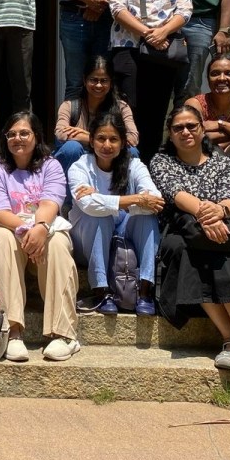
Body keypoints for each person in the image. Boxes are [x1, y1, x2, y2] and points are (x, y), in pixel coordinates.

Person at [150, 106, 230, 390]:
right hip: (180, 231)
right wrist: (205, 214)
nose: (185, 132)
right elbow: (175, 193)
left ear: (202, 129)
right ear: (170, 134)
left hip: (219, 227)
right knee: (196, 247)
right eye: (178, 128)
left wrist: (219, 211)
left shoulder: (222, 162)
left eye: (191, 126)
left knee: (215, 247)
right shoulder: (162, 161)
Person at [0, 111, 79, 362]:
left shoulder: (51, 165)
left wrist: (40, 229)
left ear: (36, 136)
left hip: (43, 230)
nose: (17, 138)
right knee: (2, 238)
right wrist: (27, 232)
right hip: (8, 231)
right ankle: (10, 331)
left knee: (57, 242)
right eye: (11, 134)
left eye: (24, 133)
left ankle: (63, 333)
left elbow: (51, 203)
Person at [109, 0, 193, 163]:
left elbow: (185, 10)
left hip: (163, 51)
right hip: (128, 49)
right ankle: (125, 165)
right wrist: (148, 33)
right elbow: (116, 8)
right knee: (129, 108)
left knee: (156, 112)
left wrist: (163, 32)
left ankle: (149, 166)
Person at [68, 110, 162, 316]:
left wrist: (102, 200)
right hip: (87, 242)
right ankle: (101, 291)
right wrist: (135, 199)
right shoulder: (79, 167)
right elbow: (87, 205)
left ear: (122, 142)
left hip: (124, 235)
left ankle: (145, 291)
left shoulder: (134, 165)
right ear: (91, 141)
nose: (107, 145)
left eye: (113, 139)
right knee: (98, 217)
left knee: (147, 217)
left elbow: (154, 199)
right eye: (101, 138)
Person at [53, 52, 139, 180]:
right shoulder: (70, 106)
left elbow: (132, 139)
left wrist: (87, 137)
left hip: (109, 157)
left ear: (111, 82)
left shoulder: (122, 107)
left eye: (104, 81)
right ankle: (68, 199)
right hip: (79, 160)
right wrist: (107, 140)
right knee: (72, 148)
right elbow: (60, 133)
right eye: (93, 80)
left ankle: (122, 194)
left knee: (131, 151)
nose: (98, 85)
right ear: (84, 80)